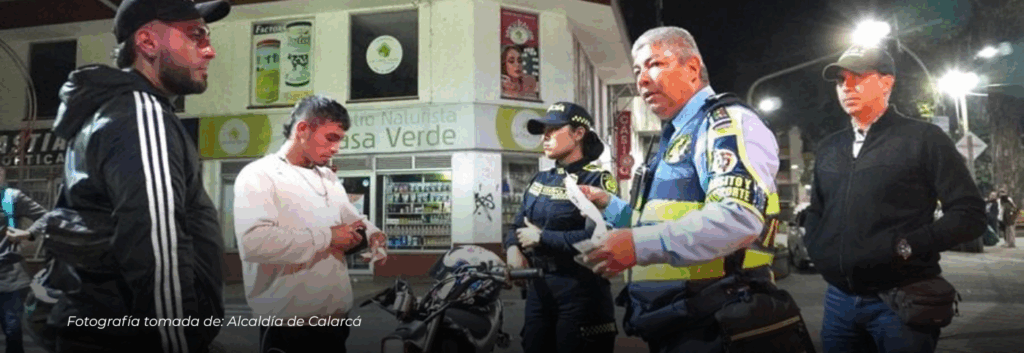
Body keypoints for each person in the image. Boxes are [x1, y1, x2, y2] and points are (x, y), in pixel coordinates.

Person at [577, 27, 787, 352]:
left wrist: (639, 245)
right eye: (637, 71)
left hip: (718, 321)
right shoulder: (676, 136)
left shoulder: (724, 124)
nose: (642, 80)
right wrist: (612, 206)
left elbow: (738, 218)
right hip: (679, 320)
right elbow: (666, 216)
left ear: (692, 69)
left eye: (655, 64)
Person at [45, 0, 231, 351]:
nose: (210, 51)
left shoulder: (109, 112)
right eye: (196, 36)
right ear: (147, 43)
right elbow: (158, 254)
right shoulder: (140, 115)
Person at [804, 44, 986, 353]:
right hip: (839, 302)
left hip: (902, 301)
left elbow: (970, 214)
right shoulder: (829, 148)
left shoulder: (924, 139)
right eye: (840, 80)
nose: (846, 87)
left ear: (886, 82)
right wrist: (818, 248)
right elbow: (817, 210)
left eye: (858, 77)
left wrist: (907, 246)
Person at [233, 94, 388, 353]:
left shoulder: (327, 177)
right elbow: (253, 243)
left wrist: (374, 235)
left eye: (340, 140)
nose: (337, 148)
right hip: (288, 326)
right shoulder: (260, 175)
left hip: (335, 322)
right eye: (331, 138)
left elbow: (353, 218)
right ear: (303, 130)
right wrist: (328, 237)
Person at [503, 102, 618, 353]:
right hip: (538, 289)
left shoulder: (597, 180)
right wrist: (513, 251)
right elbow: (516, 225)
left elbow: (597, 238)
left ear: (578, 134)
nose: (545, 137)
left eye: (553, 129)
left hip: (581, 290)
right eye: (543, 130)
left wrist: (542, 237)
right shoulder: (540, 178)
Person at [0, 167, 48, 353]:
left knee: (12, 329)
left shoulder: (12, 198)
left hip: (8, 276)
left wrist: (29, 233)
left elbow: (46, 217)